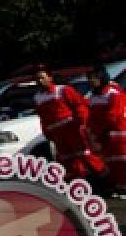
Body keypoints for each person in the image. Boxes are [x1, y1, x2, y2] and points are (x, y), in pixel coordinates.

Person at [33, 64, 109, 187]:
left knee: (85, 155)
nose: (39, 81)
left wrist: (81, 123)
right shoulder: (38, 98)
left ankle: (104, 178)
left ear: (50, 78)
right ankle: (80, 184)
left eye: (42, 78)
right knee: (67, 159)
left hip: (72, 130)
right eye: (37, 79)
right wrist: (46, 132)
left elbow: (80, 105)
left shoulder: (63, 90)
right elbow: (42, 118)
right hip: (58, 135)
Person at [88, 65, 126, 197]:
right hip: (105, 136)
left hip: (119, 134)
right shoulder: (93, 98)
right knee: (112, 162)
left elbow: (113, 115)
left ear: (103, 78)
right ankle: (119, 187)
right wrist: (95, 132)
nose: (92, 81)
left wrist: (100, 130)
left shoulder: (114, 93)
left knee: (122, 161)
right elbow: (91, 118)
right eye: (90, 78)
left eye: (95, 78)